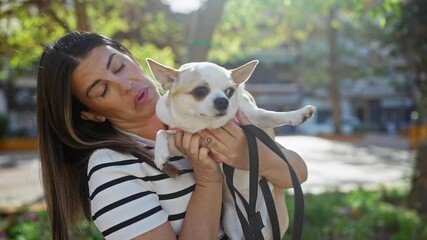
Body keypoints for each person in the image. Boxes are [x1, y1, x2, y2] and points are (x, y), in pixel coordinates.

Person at [36, 31, 308, 240]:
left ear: (131, 57)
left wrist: (249, 155)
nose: (125, 85)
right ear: (91, 114)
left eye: (118, 67)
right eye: (102, 90)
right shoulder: (110, 169)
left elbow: (297, 173)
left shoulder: (202, 106)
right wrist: (207, 179)